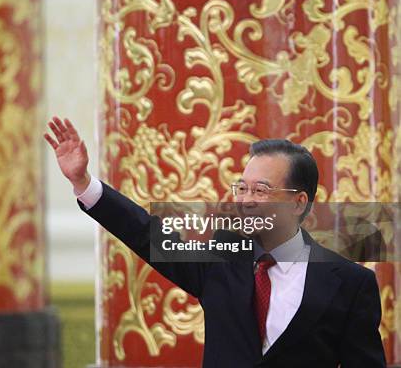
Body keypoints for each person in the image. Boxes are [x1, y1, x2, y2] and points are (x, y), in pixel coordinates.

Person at [43, 116, 386, 368]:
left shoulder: (350, 283)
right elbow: (146, 233)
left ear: (299, 202)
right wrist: (84, 183)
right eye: (243, 187)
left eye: (260, 190)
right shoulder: (221, 259)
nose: (246, 199)